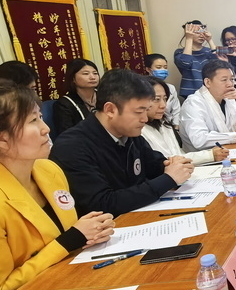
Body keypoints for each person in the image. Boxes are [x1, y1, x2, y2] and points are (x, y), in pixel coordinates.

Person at [0, 81, 114, 290]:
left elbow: (65, 235)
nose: (46, 128)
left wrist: (91, 233)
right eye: (32, 121)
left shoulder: (48, 170)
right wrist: (70, 240)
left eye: (40, 117)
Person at [49, 69, 195, 217]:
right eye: (139, 112)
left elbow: (153, 165)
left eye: (146, 110)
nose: (145, 119)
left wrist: (173, 165)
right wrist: (168, 179)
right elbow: (103, 203)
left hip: (139, 214)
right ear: (110, 110)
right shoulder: (72, 147)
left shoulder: (129, 133)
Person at [180, 60, 236, 151]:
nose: (230, 84)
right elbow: (199, 140)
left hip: (229, 149)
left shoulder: (228, 98)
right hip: (205, 156)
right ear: (208, 82)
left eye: (232, 79)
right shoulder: (193, 103)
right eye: (224, 80)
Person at [142, 77, 228, 165]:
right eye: (157, 99)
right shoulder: (140, 131)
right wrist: (209, 155)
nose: (163, 105)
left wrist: (211, 155)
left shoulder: (164, 124)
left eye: (165, 99)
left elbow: (178, 155)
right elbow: (166, 161)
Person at [52, 59, 99, 136]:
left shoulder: (106, 95)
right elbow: (67, 135)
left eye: (95, 73)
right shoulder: (64, 104)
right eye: (86, 74)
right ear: (73, 78)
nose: (93, 77)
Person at [174, 20, 219, 98]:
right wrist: (189, 39)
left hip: (210, 92)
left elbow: (219, 66)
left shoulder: (209, 51)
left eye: (202, 32)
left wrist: (209, 40)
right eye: (197, 32)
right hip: (190, 93)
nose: (201, 35)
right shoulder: (180, 52)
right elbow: (186, 63)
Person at [143, 53, 181, 124]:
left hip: (169, 124)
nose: (163, 70)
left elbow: (176, 110)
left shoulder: (171, 87)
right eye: (158, 67)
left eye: (165, 67)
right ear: (148, 69)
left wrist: (176, 125)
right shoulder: (143, 87)